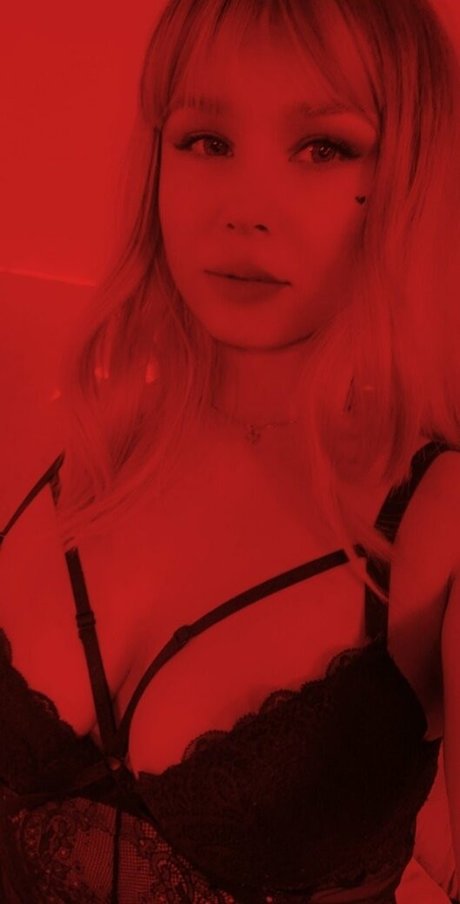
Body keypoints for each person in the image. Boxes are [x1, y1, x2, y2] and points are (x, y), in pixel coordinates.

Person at [1, 0, 460, 901]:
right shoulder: (78, 437)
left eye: (324, 148)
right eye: (207, 141)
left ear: (408, 177)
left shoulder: (437, 521)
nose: (243, 212)